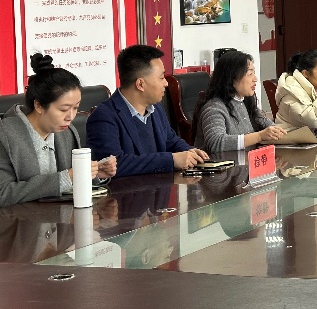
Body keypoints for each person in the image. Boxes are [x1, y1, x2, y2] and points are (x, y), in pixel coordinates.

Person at [0, 54, 116, 207]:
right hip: (19, 220)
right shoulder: (5, 135)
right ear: (39, 106)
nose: (71, 117)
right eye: (64, 109)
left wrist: (94, 174)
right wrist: (65, 178)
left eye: (76, 108)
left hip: (61, 217)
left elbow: (71, 181)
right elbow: (3, 193)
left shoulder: (68, 132)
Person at [87, 45, 209, 176]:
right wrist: (171, 160)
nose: (166, 83)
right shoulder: (104, 117)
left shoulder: (156, 108)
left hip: (161, 185)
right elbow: (114, 165)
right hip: (127, 189)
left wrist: (190, 153)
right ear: (140, 84)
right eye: (161, 78)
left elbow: (170, 140)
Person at [194, 50, 286, 152]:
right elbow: (216, 142)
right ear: (232, 78)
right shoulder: (214, 107)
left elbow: (267, 125)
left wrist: (275, 132)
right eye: (250, 74)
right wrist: (259, 136)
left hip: (246, 159)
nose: (255, 79)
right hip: (223, 162)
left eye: (254, 73)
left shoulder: (246, 101)